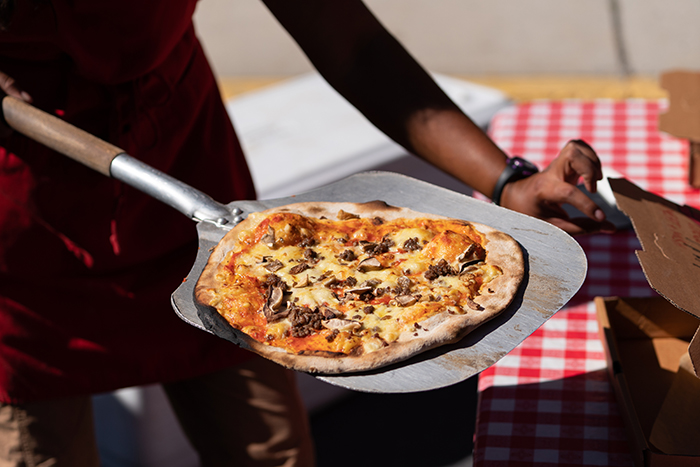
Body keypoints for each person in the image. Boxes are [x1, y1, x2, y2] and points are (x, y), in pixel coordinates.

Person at [0, 0, 614, 466]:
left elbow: (347, 36)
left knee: (271, 453)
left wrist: (505, 181)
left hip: (210, 196)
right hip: (23, 234)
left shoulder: (248, 252)